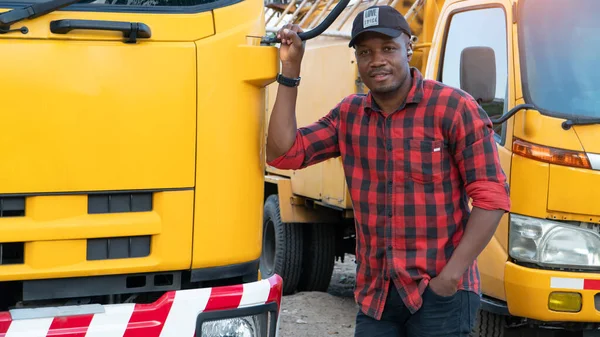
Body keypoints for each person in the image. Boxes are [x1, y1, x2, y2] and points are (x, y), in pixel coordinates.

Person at [266, 5, 511, 337]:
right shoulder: (349, 115)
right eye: (365, 51)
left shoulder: (453, 108)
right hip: (376, 298)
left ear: (408, 47)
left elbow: (491, 196)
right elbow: (284, 153)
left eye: (387, 48)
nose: (376, 59)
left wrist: (450, 277)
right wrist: (290, 70)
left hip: (439, 294)